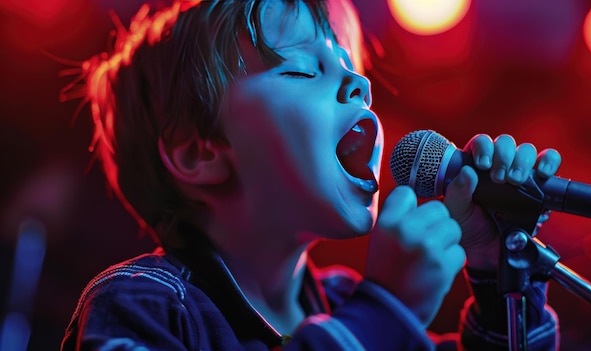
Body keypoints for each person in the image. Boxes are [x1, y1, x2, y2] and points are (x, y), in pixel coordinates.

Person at [60, 0, 561, 350]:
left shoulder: (343, 299)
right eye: (300, 71)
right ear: (200, 154)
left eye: (347, 65)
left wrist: (500, 273)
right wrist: (384, 310)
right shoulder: (143, 303)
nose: (358, 83)